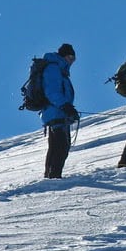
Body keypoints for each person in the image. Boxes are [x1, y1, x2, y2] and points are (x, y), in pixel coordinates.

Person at [40, 43, 78, 179]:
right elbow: (52, 91)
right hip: (56, 111)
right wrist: (65, 106)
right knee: (62, 146)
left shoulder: (60, 69)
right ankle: (54, 176)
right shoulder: (54, 68)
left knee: (56, 146)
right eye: (71, 57)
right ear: (65, 56)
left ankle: (50, 176)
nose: (72, 61)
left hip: (57, 112)